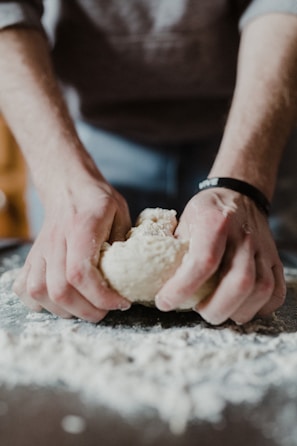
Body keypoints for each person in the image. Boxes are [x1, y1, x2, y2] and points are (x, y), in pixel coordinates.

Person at [0, 0, 296, 325]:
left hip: (258, 123)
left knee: (250, 292)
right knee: (72, 282)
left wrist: (243, 183)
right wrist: (63, 181)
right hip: (79, 136)